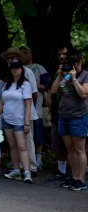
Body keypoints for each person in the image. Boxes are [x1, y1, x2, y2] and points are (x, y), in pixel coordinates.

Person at [51, 48, 88, 191]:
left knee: (79, 149)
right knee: (70, 149)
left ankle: (81, 179)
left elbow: (83, 94)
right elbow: (54, 90)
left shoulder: (85, 75)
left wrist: (74, 79)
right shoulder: (64, 76)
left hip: (78, 117)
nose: (75, 66)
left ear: (81, 62)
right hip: (63, 116)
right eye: (72, 64)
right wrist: (61, 75)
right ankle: (74, 177)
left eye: (77, 63)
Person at [0, 47, 39, 176]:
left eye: (12, 58)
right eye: (8, 58)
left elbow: (34, 94)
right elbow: (3, 100)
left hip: (25, 114)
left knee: (26, 143)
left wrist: (28, 113)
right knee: (14, 144)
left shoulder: (27, 72)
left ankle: (31, 168)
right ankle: (18, 168)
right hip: (11, 115)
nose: (10, 60)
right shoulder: (8, 78)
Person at [0, 59, 33, 183]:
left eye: (17, 68)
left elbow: (28, 105)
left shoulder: (25, 85)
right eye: (12, 68)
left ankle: (27, 172)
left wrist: (27, 122)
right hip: (7, 120)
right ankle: (16, 170)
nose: (14, 70)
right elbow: (2, 102)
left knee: (22, 146)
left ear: (21, 69)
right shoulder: (7, 85)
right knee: (12, 146)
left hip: (19, 120)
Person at [20, 45, 50, 170]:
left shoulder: (39, 68)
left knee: (37, 134)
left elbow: (46, 85)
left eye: (25, 53)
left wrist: (31, 86)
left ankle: (38, 160)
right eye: (21, 53)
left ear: (31, 54)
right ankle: (23, 160)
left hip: (35, 108)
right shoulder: (17, 68)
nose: (23, 55)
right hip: (20, 109)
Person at [47, 43, 71, 181]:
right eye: (59, 54)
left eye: (64, 54)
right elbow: (52, 88)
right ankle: (61, 171)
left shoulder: (77, 70)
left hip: (72, 112)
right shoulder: (57, 70)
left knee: (74, 145)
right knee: (57, 142)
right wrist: (50, 99)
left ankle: (77, 174)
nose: (62, 57)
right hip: (57, 112)